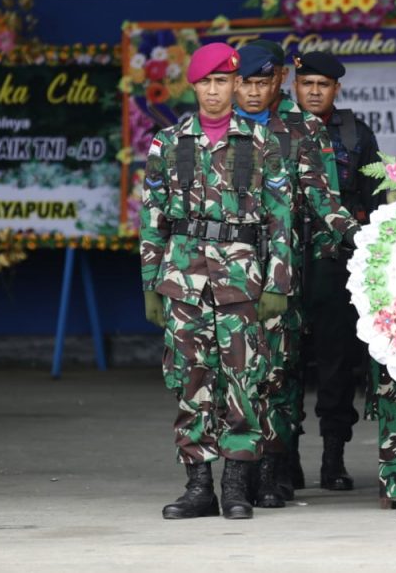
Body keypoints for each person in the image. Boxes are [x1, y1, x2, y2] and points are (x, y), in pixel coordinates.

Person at [140, 42, 293, 519]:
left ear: (234, 84)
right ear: (195, 86)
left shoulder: (261, 142)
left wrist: (277, 285)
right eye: (205, 82)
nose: (213, 90)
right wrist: (150, 282)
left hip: (241, 279)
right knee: (190, 379)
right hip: (183, 279)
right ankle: (198, 486)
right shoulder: (168, 143)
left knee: (243, 380)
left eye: (222, 81)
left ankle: (236, 485)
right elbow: (152, 218)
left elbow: (280, 218)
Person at [233, 44, 360, 506]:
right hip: (233, 268)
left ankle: (276, 469)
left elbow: (325, 199)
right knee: (238, 371)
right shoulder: (215, 132)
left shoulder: (304, 129)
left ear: (277, 80)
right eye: (244, 81)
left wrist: (364, 240)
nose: (253, 90)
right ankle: (240, 469)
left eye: (262, 81)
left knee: (283, 371)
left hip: (299, 264)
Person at [292, 51, 385, 490]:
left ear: (336, 90)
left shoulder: (355, 133)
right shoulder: (275, 131)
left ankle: (334, 457)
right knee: (284, 364)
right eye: (306, 83)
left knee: (335, 362)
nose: (314, 91)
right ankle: (283, 458)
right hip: (283, 263)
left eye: (322, 85)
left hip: (335, 265)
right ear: (293, 85)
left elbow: (377, 204)